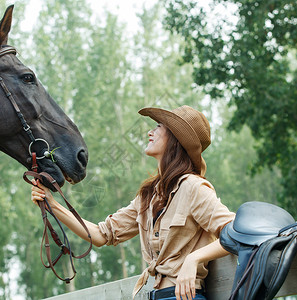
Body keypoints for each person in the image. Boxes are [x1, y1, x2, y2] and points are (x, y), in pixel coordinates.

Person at [31, 105, 235, 300]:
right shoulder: (149, 195)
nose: (150, 132)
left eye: (159, 127)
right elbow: (102, 235)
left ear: (176, 139)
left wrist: (194, 259)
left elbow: (235, 232)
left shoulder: (193, 187)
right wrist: (51, 203)